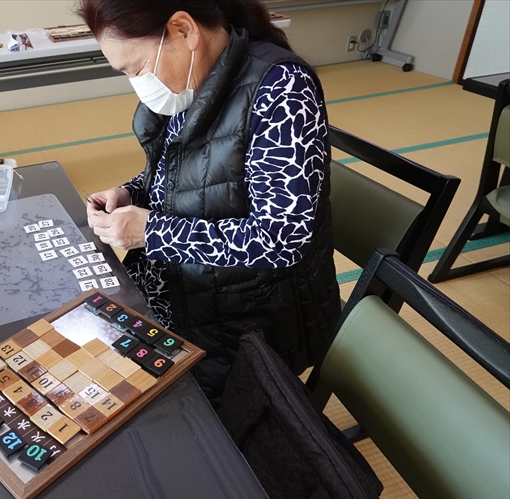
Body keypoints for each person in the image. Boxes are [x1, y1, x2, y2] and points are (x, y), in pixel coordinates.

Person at [77, 0, 341, 403]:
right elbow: (190, 177)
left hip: (248, 319)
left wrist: (152, 232)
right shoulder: (195, 80)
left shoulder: (281, 88)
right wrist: (132, 192)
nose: (137, 83)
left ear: (184, 30)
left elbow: (281, 239)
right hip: (188, 293)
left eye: (136, 69)